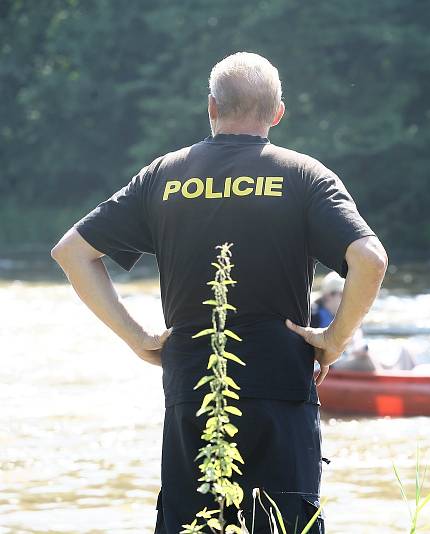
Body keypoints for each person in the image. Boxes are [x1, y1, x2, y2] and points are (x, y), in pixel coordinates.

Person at [50, 51, 388, 533]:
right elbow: (370, 260)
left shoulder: (164, 175)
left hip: (193, 387)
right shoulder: (304, 175)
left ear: (211, 107)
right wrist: (335, 338)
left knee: (194, 523)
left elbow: (72, 252)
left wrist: (138, 337)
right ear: (277, 113)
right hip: (281, 390)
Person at [311, 272, 416, 372]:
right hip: (330, 367)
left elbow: (358, 342)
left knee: (405, 351)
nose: (349, 299)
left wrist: (359, 348)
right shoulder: (314, 316)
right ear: (328, 296)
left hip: (349, 358)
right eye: (344, 294)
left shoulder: (350, 316)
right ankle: (392, 384)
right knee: (367, 361)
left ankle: (404, 381)